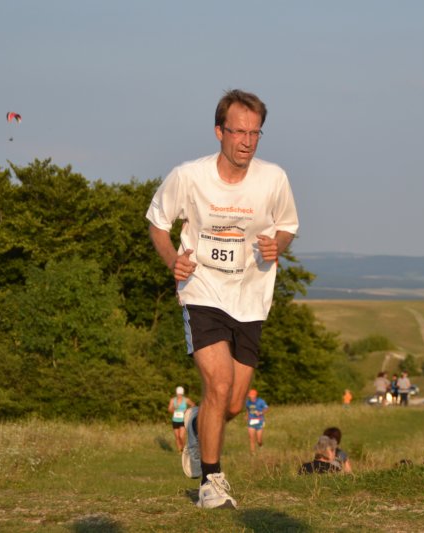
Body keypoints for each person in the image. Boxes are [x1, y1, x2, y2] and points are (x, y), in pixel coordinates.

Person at [146, 89, 298, 510]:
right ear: (219, 131)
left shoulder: (273, 179)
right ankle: (211, 482)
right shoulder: (189, 176)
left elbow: (287, 225)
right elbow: (158, 223)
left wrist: (278, 245)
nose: (247, 142)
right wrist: (173, 261)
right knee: (219, 384)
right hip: (202, 291)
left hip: (251, 297)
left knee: (230, 403)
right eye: (238, 132)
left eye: (255, 133)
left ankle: (198, 424)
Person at [168, 386, 195, 453]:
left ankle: (184, 448)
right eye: (178, 394)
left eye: (180, 394)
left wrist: (187, 410)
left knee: (181, 436)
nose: (179, 395)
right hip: (175, 420)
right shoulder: (172, 400)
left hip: (183, 420)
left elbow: (193, 405)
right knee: (177, 436)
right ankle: (179, 450)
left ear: (182, 394)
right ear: (176, 393)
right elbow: (169, 409)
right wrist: (174, 409)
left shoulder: (186, 400)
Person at [245, 389, 268, 454]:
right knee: (252, 439)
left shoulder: (261, 401)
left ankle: (260, 445)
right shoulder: (247, 402)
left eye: (252, 396)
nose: (251, 397)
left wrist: (260, 413)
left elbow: (266, 408)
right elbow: (248, 409)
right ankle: (253, 453)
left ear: (255, 396)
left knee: (259, 440)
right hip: (251, 421)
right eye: (250, 396)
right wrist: (247, 416)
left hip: (259, 421)